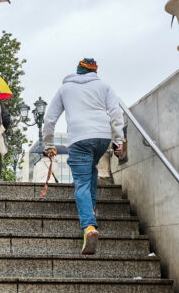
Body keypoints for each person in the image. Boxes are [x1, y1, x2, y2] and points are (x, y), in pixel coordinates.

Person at [42, 58, 125, 255]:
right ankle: (91, 208)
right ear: (95, 72)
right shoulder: (104, 86)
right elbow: (115, 112)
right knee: (91, 169)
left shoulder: (65, 88)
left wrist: (48, 144)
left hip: (79, 138)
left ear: (78, 71)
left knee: (81, 182)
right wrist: (118, 141)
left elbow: (49, 118)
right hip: (101, 137)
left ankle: (88, 225)